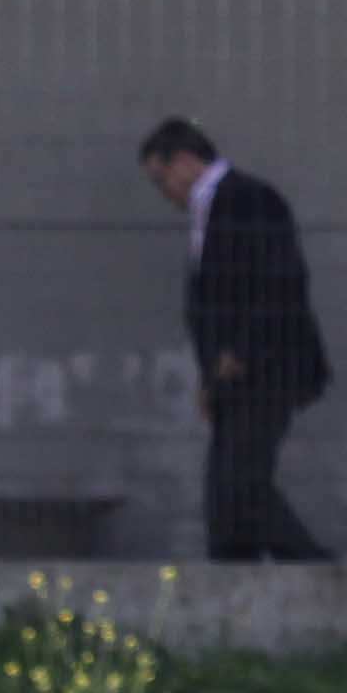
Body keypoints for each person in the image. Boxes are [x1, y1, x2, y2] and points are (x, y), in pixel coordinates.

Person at [134, 115, 329, 562]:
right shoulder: (211, 209)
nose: (164, 193)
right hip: (235, 373)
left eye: (161, 179)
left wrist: (238, 351)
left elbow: (279, 281)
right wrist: (211, 375)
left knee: (240, 482)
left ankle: (317, 571)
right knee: (225, 492)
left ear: (183, 160)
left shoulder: (248, 198)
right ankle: (230, 585)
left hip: (267, 365)